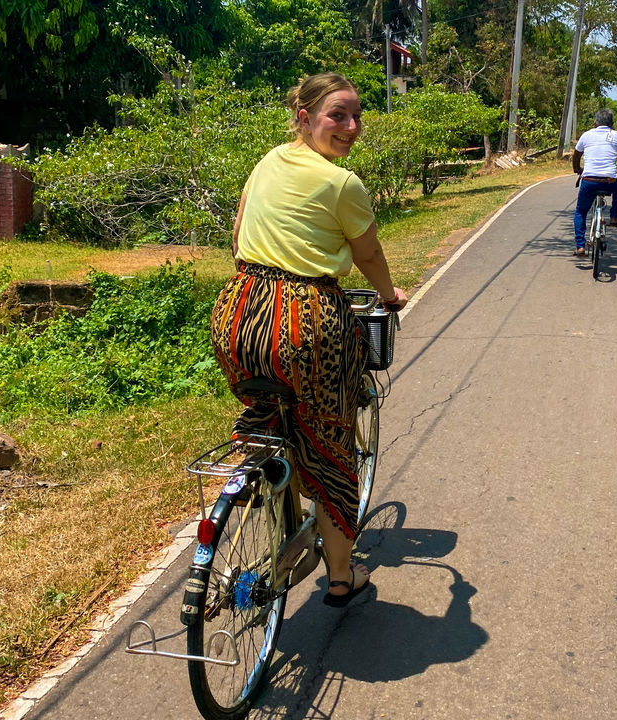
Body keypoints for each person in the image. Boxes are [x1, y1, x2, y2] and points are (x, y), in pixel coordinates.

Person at [210, 72, 407, 608]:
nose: (350, 126)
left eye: (356, 116)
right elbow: (367, 256)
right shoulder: (343, 184)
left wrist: (258, 289)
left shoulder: (268, 161)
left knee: (275, 416)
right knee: (333, 445)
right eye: (337, 115)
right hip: (306, 321)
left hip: (237, 314)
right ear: (304, 116)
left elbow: (237, 232)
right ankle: (341, 576)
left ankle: (272, 480)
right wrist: (389, 295)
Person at [571, 108, 617, 256]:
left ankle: (580, 246)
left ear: (595, 123)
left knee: (580, 211)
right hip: (610, 180)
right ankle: (615, 216)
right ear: (612, 124)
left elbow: (576, 155)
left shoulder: (586, 135)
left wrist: (577, 169)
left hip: (589, 180)